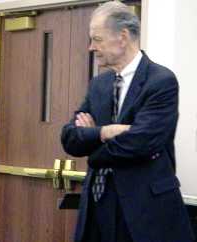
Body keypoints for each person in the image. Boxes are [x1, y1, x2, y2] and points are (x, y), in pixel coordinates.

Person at [61, 2, 195, 242]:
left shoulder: (161, 81)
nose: (91, 47)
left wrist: (93, 148)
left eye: (97, 39)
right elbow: (70, 138)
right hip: (97, 206)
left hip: (145, 211)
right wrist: (104, 132)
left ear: (122, 37)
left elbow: (141, 143)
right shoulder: (99, 84)